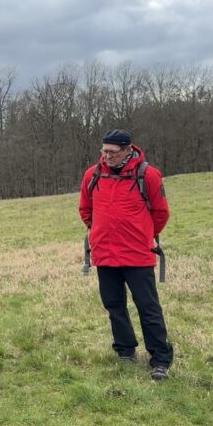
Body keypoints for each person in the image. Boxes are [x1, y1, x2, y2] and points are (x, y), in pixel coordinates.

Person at [78, 129, 173, 381]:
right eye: (104, 151)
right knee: (114, 306)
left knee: (148, 307)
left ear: (127, 149)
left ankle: (160, 359)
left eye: (112, 152)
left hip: (137, 256)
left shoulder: (148, 175)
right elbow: (85, 210)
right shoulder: (92, 175)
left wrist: (142, 235)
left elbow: (161, 213)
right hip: (105, 255)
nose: (106, 156)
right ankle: (125, 351)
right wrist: (99, 232)